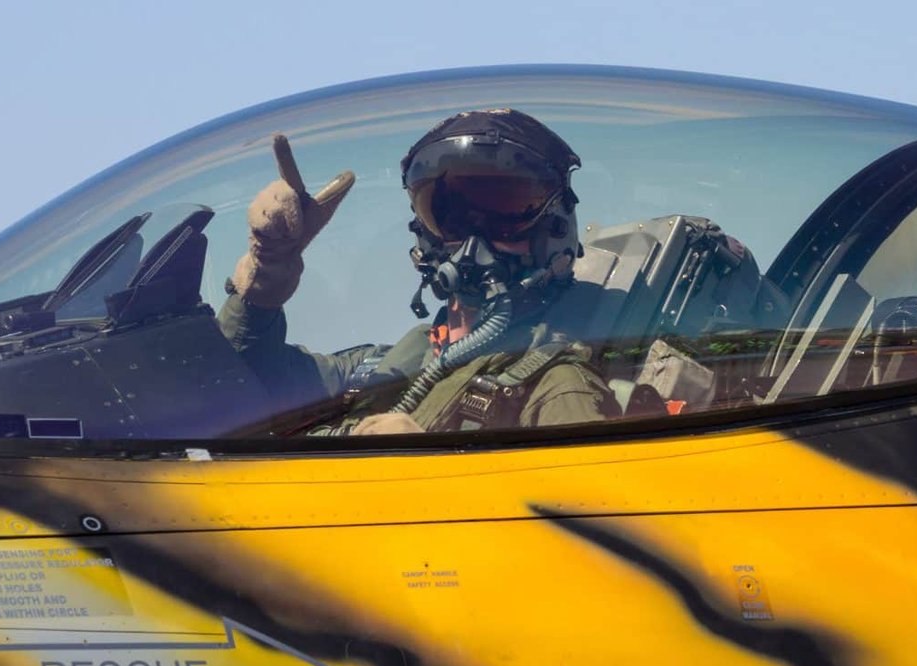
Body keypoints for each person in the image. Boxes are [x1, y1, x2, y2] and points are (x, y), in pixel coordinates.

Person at [217, 109, 621, 435]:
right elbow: (234, 381)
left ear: (554, 227)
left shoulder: (559, 384)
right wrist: (266, 273)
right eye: (449, 214)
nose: (472, 241)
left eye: (504, 210)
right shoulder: (389, 366)